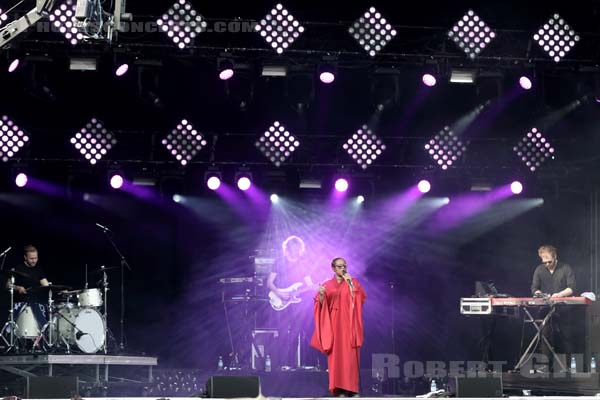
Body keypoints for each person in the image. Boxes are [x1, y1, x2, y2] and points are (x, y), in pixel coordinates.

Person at [311, 257, 366, 397]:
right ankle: (338, 389)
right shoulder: (327, 284)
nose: (343, 269)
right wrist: (322, 295)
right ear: (333, 268)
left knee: (351, 358)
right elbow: (320, 304)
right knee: (336, 358)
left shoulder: (353, 282)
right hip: (334, 325)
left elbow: (360, 299)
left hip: (349, 324)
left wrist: (351, 286)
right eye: (340, 266)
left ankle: (352, 389)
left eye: (344, 266)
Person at [266, 235, 316, 368]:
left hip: (296, 305)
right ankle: (279, 365)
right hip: (280, 300)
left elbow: (309, 284)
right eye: (293, 247)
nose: (295, 250)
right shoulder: (279, 262)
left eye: (297, 248)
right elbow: (269, 283)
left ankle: (291, 365)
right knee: (282, 332)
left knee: (296, 332)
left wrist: (318, 286)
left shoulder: (303, 264)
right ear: (287, 248)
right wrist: (279, 293)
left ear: (300, 249)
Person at [531, 244, 576, 372]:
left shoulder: (565, 268)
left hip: (563, 308)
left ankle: (567, 367)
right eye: (544, 262)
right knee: (544, 335)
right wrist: (540, 294)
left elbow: (571, 287)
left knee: (566, 336)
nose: (547, 264)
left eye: (549, 261)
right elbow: (534, 288)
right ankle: (545, 366)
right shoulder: (539, 269)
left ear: (555, 257)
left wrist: (558, 295)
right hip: (546, 307)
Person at [5, 245, 49, 334]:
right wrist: (18, 288)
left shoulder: (38, 269)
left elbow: (46, 285)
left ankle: (42, 337)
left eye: (36, 258)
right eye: (31, 258)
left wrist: (59, 290)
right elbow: (8, 285)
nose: (34, 261)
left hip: (36, 302)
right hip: (21, 302)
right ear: (25, 257)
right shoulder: (18, 268)